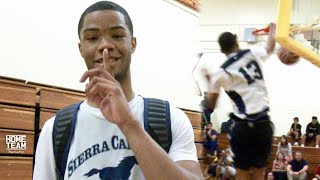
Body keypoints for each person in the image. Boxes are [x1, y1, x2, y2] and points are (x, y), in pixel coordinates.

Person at [33, 1, 203, 179]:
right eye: (92, 38)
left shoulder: (171, 119)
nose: (105, 45)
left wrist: (129, 124)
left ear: (133, 43)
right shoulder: (54, 130)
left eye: (117, 35)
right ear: (81, 48)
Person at [202, 22, 276, 180]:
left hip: (243, 127)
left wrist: (208, 81)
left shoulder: (220, 73)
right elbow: (270, 47)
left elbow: (211, 106)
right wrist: (274, 28)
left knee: (241, 174)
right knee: (259, 173)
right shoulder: (252, 52)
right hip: (263, 123)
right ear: (236, 41)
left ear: (222, 50)